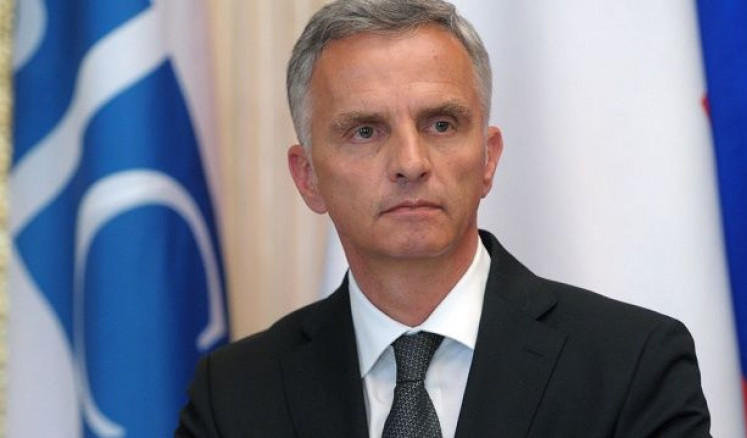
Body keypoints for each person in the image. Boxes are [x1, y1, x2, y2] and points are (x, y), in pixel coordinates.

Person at [176, 0, 711, 436]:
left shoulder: (632, 364)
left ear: (488, 159)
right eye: (365, 131)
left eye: (440, 125)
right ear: (308, 176)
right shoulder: (235, 394)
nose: (410, 163)